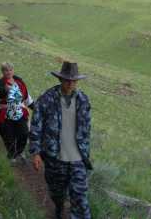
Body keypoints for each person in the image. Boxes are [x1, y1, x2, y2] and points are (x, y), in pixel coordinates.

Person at [29, 61, 92, 219]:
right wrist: (35, 152)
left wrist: (85, 151)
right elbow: (36, 125)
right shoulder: (47, 99)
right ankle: (58, 207)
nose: (71, 83)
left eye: (74, 80)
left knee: (80, 199)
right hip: (55, 158)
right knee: (57, 194)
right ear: (60, 79)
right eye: (67, 80)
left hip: (78, 159)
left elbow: (86, 129)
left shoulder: (84, 100)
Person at [0, 62, 34, 163]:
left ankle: (19, 152)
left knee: (24, 133)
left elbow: (27, 98)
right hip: (4, 112)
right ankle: (11, 155)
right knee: (9, 136)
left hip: (19, 110)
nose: (8, 72)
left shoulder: (19, 81)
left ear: (13, 70)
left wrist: (36, 108)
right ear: (2, 72)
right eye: (6, 70)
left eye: (10, 70)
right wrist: (5, 91)